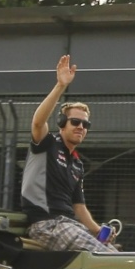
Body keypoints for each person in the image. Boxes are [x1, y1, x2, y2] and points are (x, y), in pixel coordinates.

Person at [21, 55, 113, 253]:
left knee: (115, 254)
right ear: (62, 124)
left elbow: (78, 206)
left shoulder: (78, 164)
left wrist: (98, 231)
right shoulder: (47, 144)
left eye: (85, 124)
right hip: (47, 224)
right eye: (75, 122)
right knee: (104, 257)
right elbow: (37, 122)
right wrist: (60, 85)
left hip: (69, 225)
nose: (81, 127)